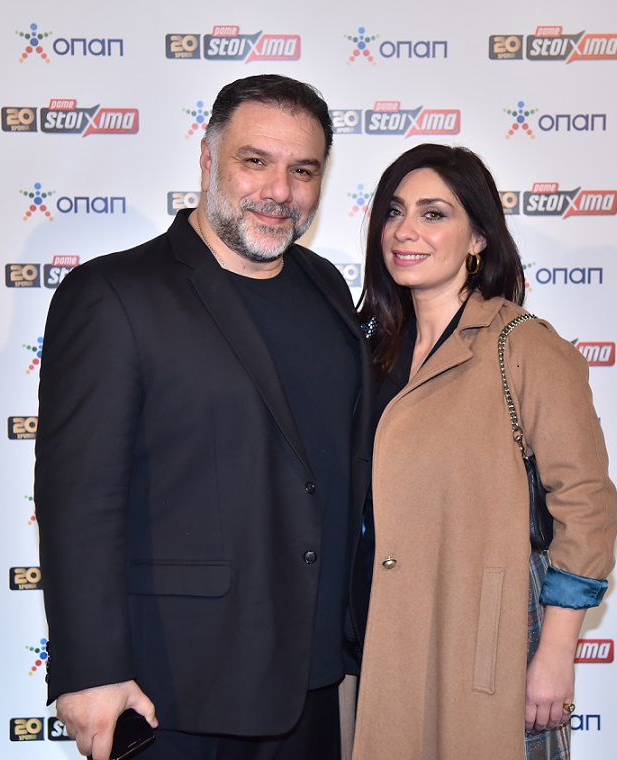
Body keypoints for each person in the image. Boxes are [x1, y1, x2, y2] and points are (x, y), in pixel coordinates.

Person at [34, 74, 372, 760]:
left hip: (312, 680)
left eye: (302, 170)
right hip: (175, 688)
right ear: (207, 159)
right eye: (256, 161)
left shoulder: (325, 286)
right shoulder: (114, 295)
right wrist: (90, 671)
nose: (279, 190)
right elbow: (80, 500)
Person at [350, 144, 617, 760]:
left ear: (478, 238)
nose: (405, 230)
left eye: (433, 213)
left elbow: (586, 505)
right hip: (372, 642)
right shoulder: (366, 351)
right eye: (393, 211)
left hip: (485, 645)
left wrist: (555, 652)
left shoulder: (523, 346)